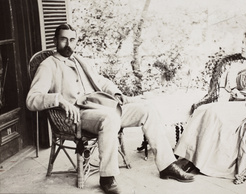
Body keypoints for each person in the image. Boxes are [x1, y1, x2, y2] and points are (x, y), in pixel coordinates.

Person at [26, 24, 194, 194]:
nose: (68, 44)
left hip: (101, 107)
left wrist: (116, 92)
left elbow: (100, 80)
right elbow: (32, 99)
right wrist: (59, 100)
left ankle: (166, 165)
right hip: (77, 115)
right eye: (63, 39)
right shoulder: (48, 65)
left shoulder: (80, 60)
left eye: (72, 39)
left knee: (147, 109)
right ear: (55, 40)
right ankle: (107, 176)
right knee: (110, 118)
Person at [174, 27, 246, 179]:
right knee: (204, 109)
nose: (242, 46)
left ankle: (198, 161)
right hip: (238, 103)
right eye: (242, 43)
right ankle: (191, 158)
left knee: (213, 112)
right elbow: (231, 86)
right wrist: (235, 91)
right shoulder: (239, 66)